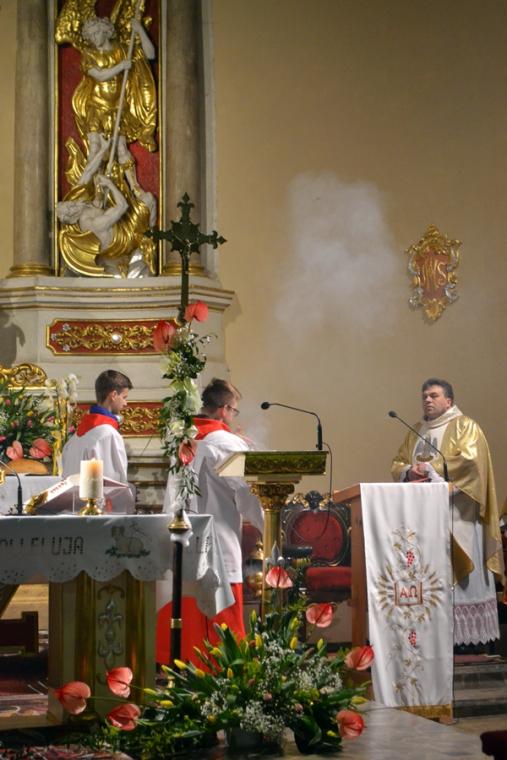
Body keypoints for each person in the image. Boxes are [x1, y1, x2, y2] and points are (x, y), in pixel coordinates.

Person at [156, 378, 264, 664]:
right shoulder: (227, 443)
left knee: (187, 609)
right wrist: (269, 526)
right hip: (217, 541)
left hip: (182, 538)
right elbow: (249, 493)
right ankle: (222, 673)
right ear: (225, 409)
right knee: (221, 623)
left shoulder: (183, 440)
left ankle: (184, 670)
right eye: (234, 410)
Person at [391, 378, 505, 647]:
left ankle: (468, 643)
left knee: (461, 578)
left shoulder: (465, 426)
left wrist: (433, 470)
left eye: (433, 396)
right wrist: (409, 471)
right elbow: (397, 463)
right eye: (424, 396)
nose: (427, 400)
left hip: (459, 515)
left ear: (449, 401)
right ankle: (432, 637)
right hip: (424, 520)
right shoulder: (416, 431)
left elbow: (472, 464)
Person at [62, 370, 134, 511]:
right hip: (98, 515)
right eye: (124, 397)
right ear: (113, 395)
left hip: (72, 512)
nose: (126, 403)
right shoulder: (107, 434)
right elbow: (114, 483)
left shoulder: (75, 437)